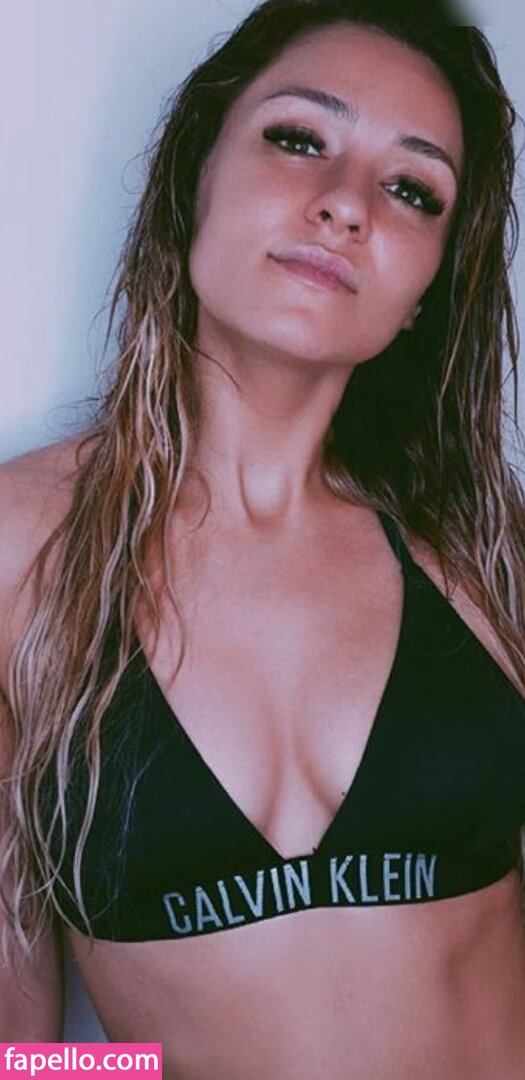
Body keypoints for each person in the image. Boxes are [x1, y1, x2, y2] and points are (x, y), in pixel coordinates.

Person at [1, 0, 525, 1075]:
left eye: (412, 190)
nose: (346, 206)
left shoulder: (487, 556)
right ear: (194, 175)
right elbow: (16, 1047)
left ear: (425, 292)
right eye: (298, 138)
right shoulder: (20, 552)